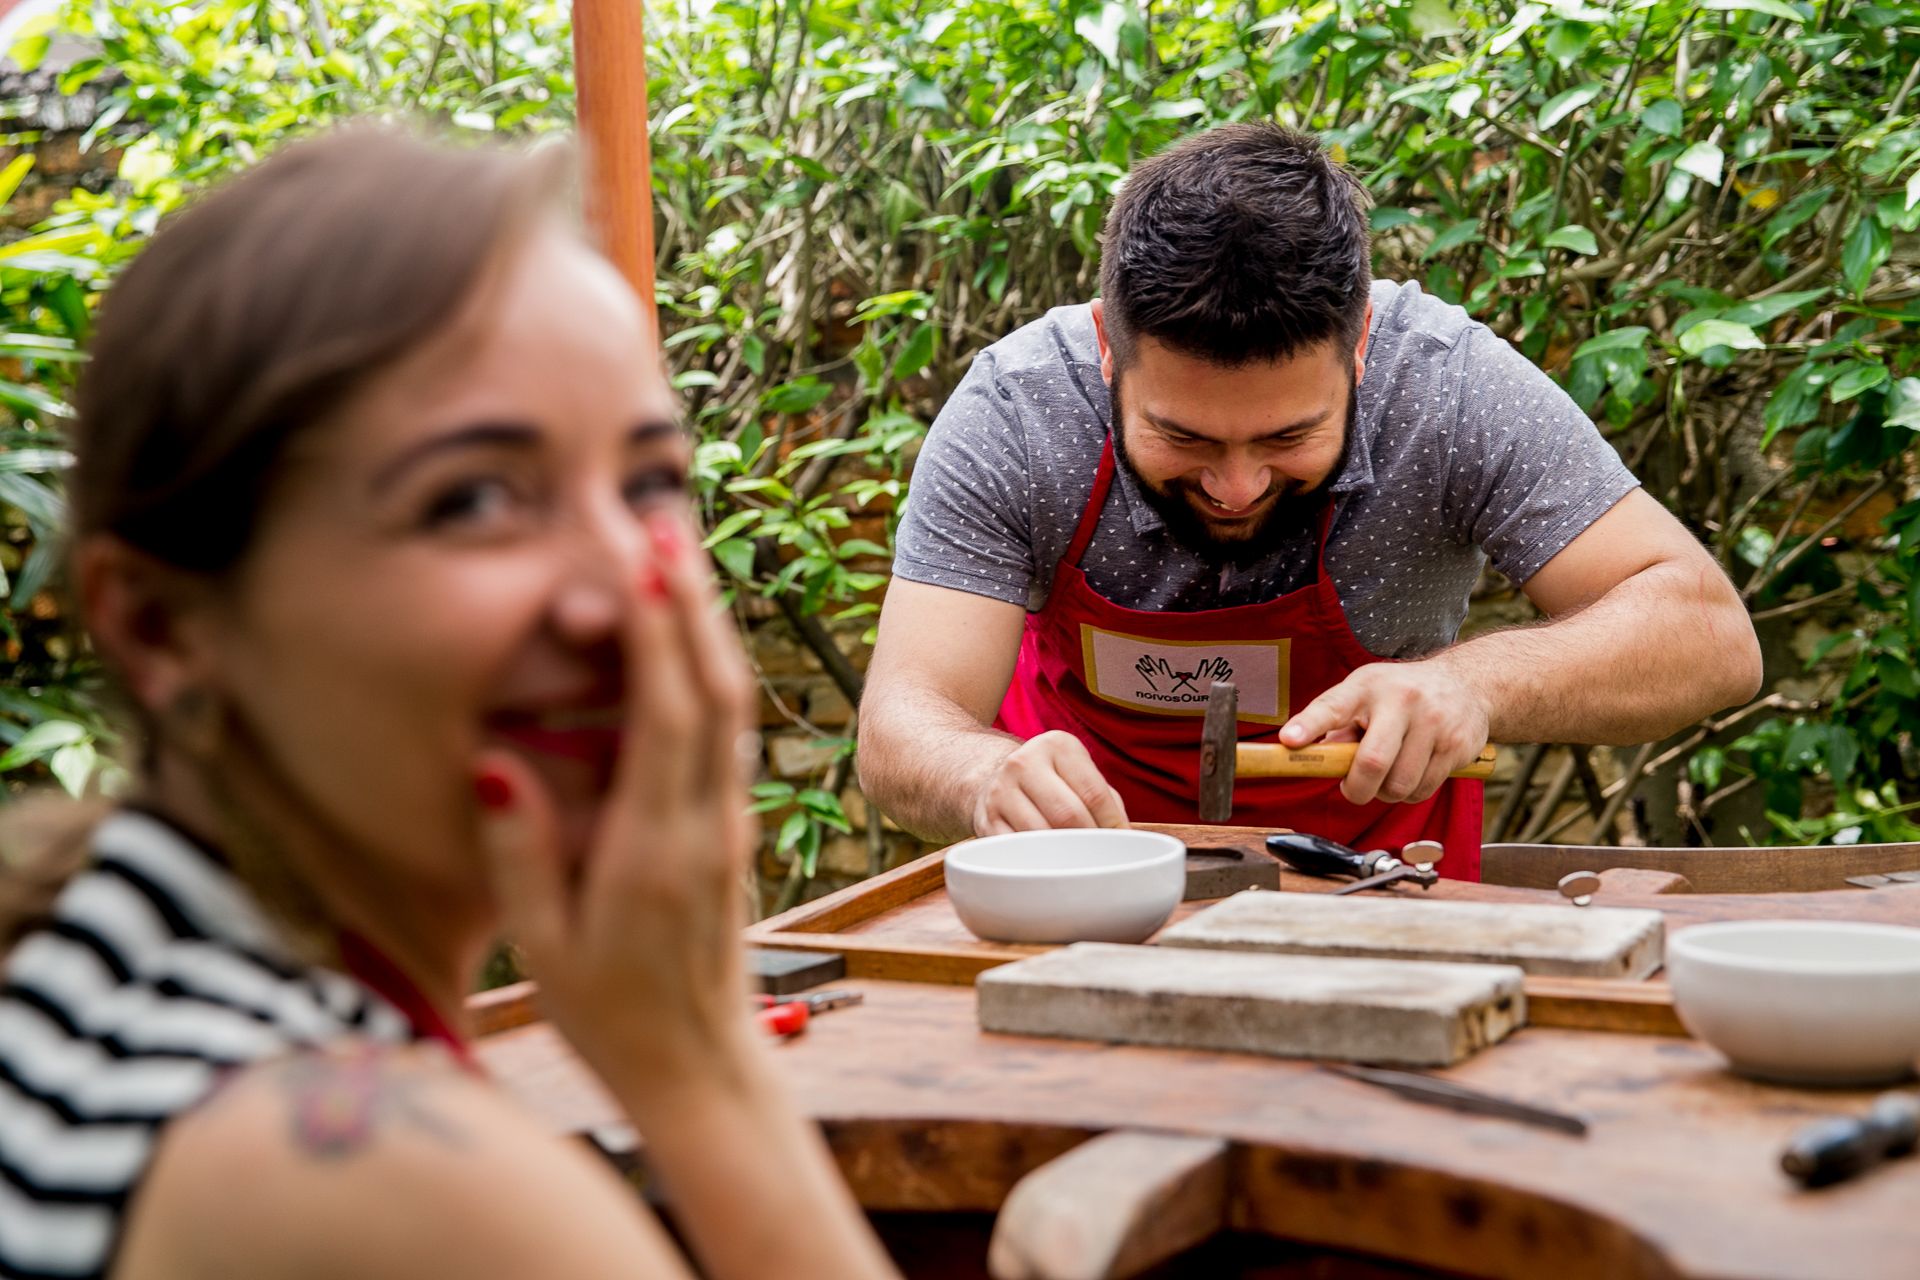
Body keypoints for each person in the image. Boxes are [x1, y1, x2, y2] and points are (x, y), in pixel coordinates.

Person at [0, 128, 899, 1280]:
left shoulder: (89, 987)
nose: (617, 594)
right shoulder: (383, 1176)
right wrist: (702, 1061)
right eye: (472, 497)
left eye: (648, 482)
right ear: (162, 626)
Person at [857, 123, 1762, 878]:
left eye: (1289, 438)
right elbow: (901, 724)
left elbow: (1708, 636)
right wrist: (981, 778)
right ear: (1106, 347)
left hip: (1382, 887)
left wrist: (1471, 683)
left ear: (1361, 342)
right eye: (1186, 438)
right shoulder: (1020, 411)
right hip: (1082, 885)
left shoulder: (1447, 390)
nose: (1237, 486)